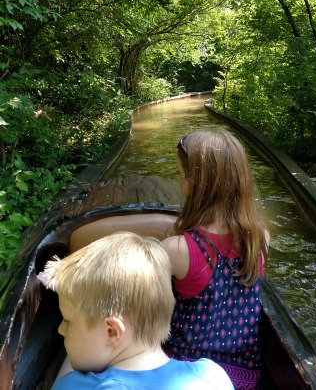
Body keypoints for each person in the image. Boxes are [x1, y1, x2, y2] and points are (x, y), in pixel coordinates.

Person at [38, 231, 235, 390]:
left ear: (112, 331)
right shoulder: (213, 377)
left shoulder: (73, 385)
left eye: (67, 321)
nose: (61, 330)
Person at [161, 130, 270, 390]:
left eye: (179, 173)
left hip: (186, 371)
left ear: (193, 182)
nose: (178, 180)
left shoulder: (177, 249)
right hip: (244, 376)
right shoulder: (260, 238)